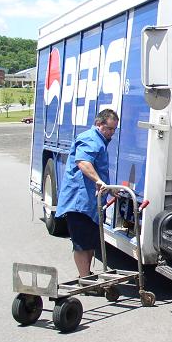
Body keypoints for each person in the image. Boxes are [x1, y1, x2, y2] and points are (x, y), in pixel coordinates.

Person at [55, 109, 119, 277]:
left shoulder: (100, 141)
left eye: (114, 130)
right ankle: (84, 278)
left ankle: (87, 275)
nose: (112, 133)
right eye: (109, 129)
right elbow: (83, 163)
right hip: (79, 203)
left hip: (90, 203)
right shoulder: (90, 138)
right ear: (99, 124)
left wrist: (110, 188)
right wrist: (99, 181)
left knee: (90, 242)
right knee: (82, 243)